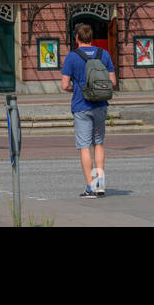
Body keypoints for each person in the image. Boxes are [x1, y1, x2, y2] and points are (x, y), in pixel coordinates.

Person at [60, 23, 117, 198]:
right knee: (98, 143)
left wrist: (76, 89)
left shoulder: (72, 57)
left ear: (77, 38)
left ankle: (90, 187)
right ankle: (100, 183)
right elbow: (113, 82)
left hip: (81, 105)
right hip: (100, 105)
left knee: (84, 147)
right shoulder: (104, 54)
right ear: (91, 37)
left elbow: (64, 85)